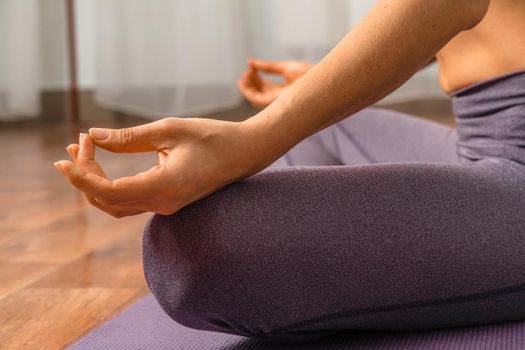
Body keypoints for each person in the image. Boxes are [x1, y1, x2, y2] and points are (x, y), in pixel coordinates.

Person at [54, 0, 525, 343]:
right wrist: (325, 84)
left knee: (192, 251)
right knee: (319, 130)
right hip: (481, 138)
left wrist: (251, 141)